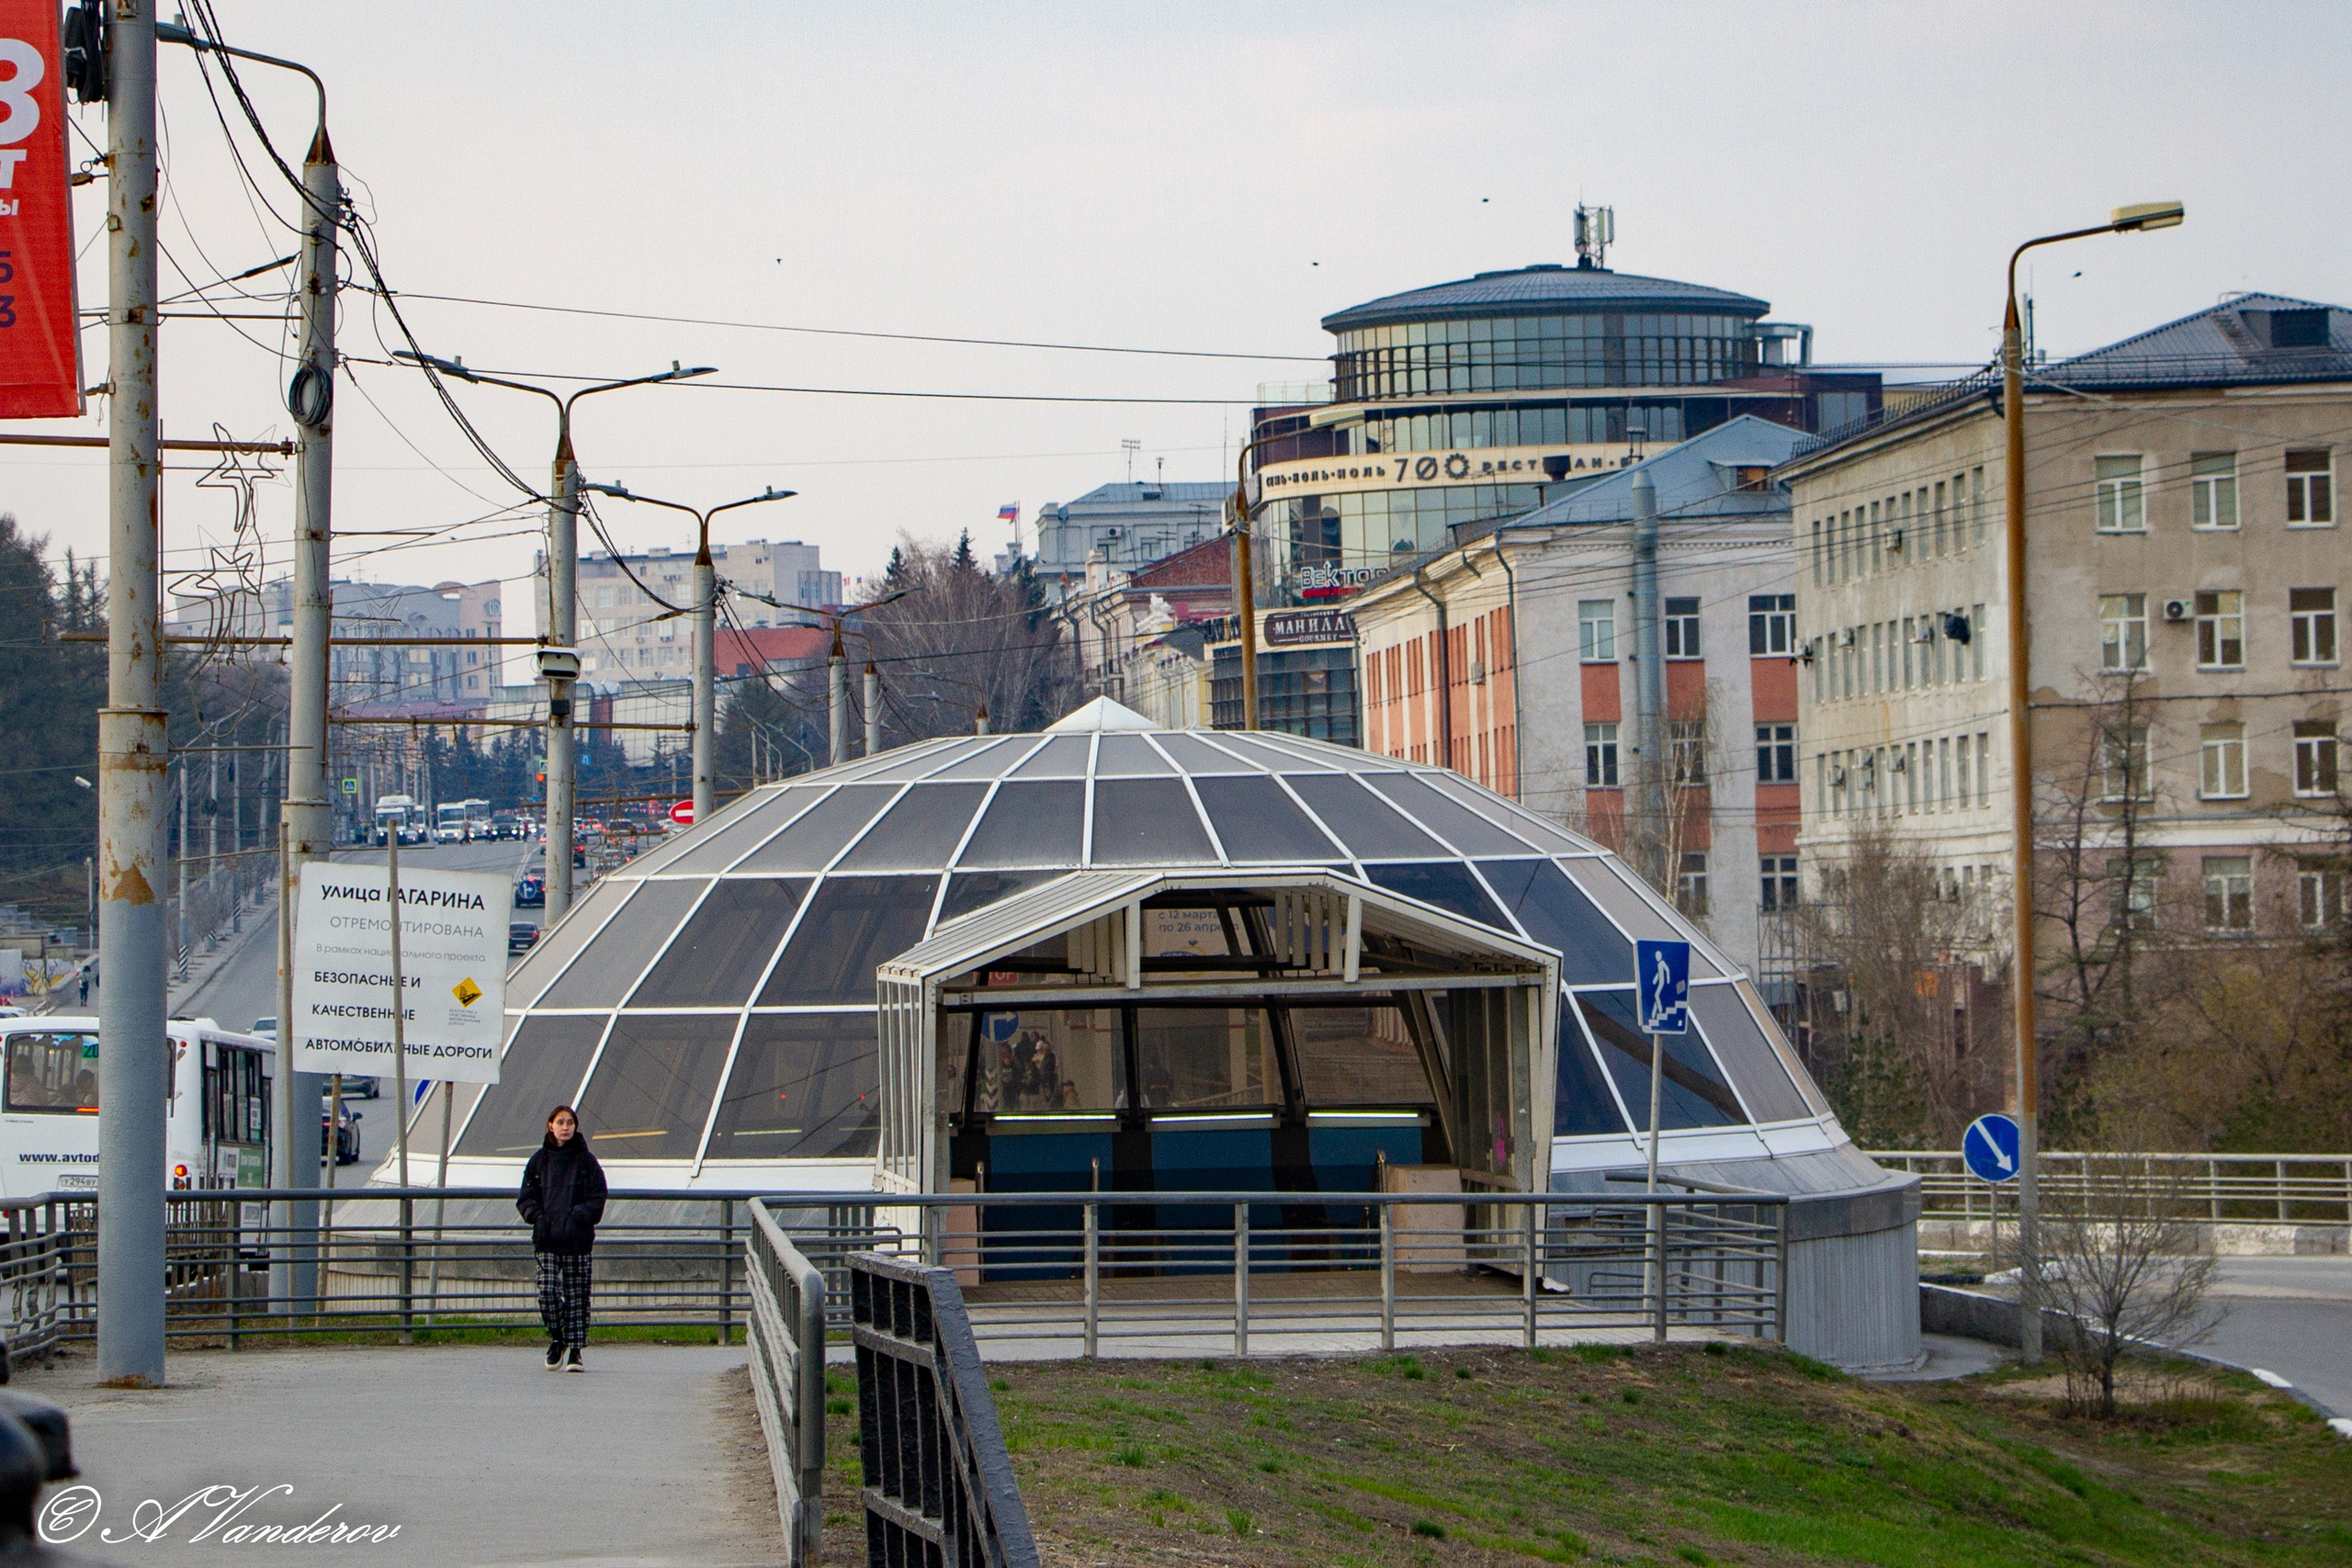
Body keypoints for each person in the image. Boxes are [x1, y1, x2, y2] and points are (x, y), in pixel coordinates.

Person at [516, 1105, 606, 1371]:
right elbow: (526, 1197)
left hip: (577, 1238)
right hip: (547, 1237)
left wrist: (580, 1215)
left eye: (570, 1122)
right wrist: (538, 1218)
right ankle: (558, 1336)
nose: (565, 1127)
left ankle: (575, 1350)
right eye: (560, 1122)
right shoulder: (538, 1161)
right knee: (547, 1290)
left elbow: (598, 1196)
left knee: (578, 1294)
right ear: (550, 1125)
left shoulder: (587, 1161)